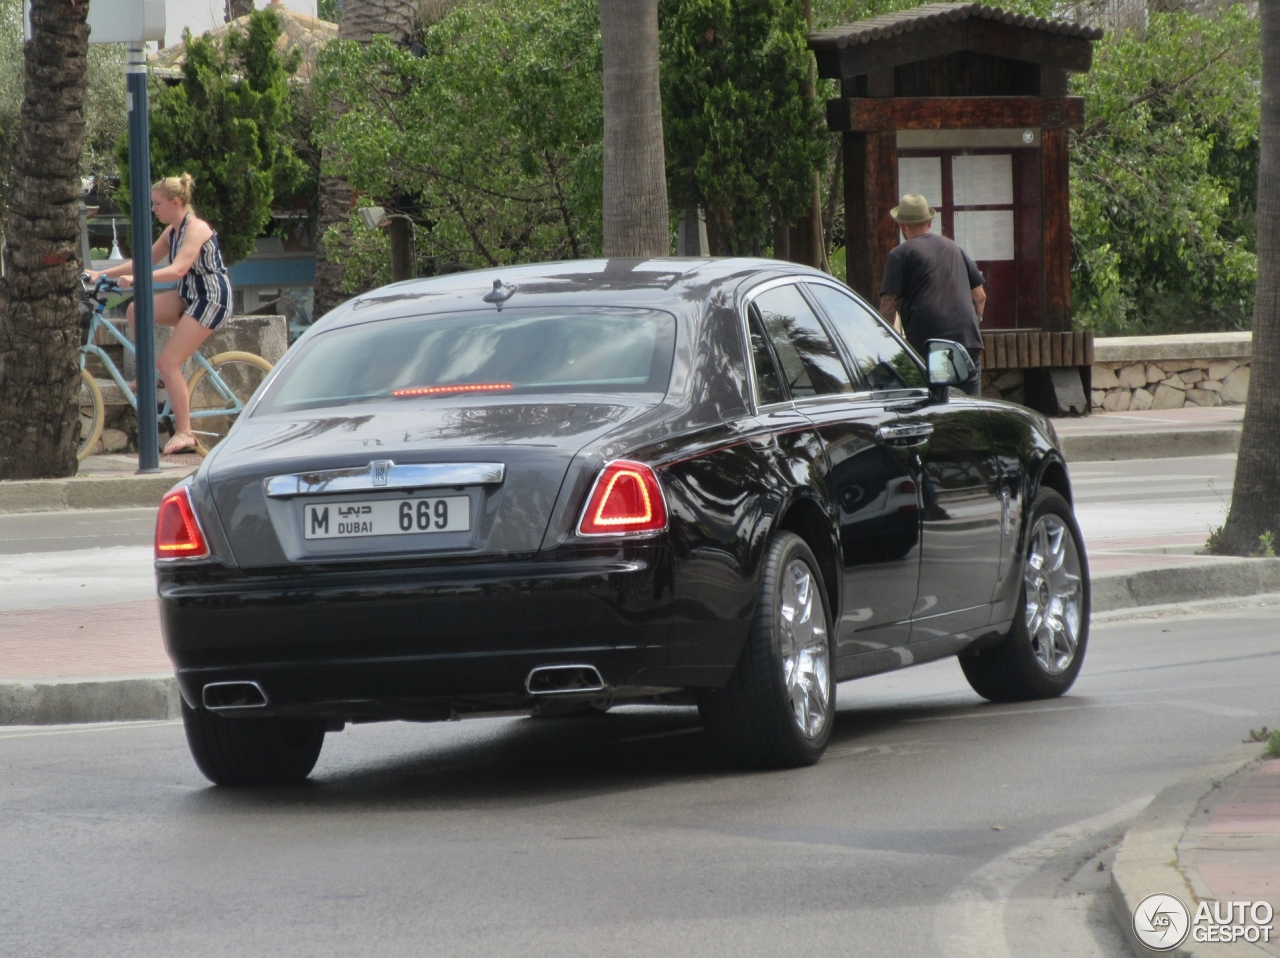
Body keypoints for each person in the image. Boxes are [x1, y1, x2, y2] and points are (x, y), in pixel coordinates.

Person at [85, 173, 233, 455]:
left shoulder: (197, 229)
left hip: (211, 298)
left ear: (175, 202)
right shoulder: (172, 232)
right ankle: (148, 374)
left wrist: (139, 280)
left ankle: (185, 432)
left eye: (157, 204)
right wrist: (100, 274)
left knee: (169, 363)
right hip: (188, 295)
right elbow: (143, 261)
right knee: (135, 310)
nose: (153, 209)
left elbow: (177, 270)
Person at [878, 193, 987, 396]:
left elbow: (888, 306)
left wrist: (883, 345)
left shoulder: (899, 255)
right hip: (968, 340)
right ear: (929, 222)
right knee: (970, 408)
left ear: (902, 226)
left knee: (936, 407)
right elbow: (980, 296)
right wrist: (976, 321)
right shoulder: (955, 248)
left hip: (930, 344)